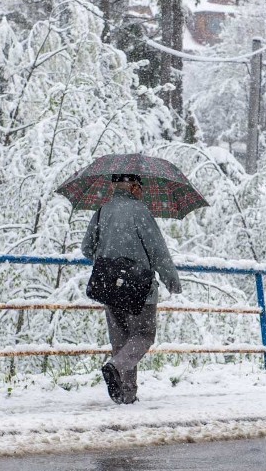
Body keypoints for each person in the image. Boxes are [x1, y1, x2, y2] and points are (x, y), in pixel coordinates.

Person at [81, 173, 181, 404]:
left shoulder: (102, 211)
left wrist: (110, 254)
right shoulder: (140, 212)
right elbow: (158, 252)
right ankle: (115, 367)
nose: (142, 191)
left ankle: (126, 395)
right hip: (138, 287)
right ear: (133, 187)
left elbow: (87, 249)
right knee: (143, 336)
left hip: (108, 287)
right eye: (140, 187)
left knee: (121, 340)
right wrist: (172, 281)